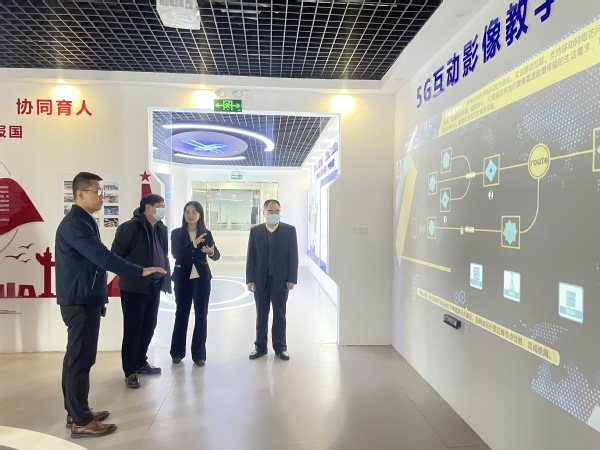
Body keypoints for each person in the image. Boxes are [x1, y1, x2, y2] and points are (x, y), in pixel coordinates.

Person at [55, 172, 165, 439]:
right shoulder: (75, 224)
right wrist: (139, 271)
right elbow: (103, 256)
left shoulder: (84, 221)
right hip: (80, 298)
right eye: (98, 191)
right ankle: (81, 421)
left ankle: (77, 411)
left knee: (81, 358)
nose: (102, 196)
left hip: (86, 296)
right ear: (80, 193)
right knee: (80, 359)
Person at [111, 193, 171, 388]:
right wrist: (136, 271)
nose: (163, 210)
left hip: (154, 285)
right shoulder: (130, 228)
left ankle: (140, 361)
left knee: (149, 326)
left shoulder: (161, 228)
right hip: (134, 287)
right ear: (148, 208)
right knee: (133, 330)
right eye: (160, 206)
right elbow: (115, 257)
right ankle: (130, 371)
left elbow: (163, 254)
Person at [246, 199, 298, 361]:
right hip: (260, 280)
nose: (274, 214)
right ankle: (260, 347)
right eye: (270, 211)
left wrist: (291, 279)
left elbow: (293, 256)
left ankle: (280, 348)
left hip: (281, 281)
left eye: (277, 211)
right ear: (264, 213)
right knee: (261, 315)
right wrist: (250, 279)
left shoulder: (289, 231)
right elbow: (251, 257)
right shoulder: (255, 231)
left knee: (280, 315)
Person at [170, 201, 220, 366]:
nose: (190, 215)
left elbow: (216, 254)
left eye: (194, 212)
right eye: (187, 212)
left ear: (200, 215)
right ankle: (177, 352)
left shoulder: (206, 233)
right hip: (182, 278)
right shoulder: (176, 233)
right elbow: (176, 254)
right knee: (181, 314)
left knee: (201, 315)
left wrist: (211, 252)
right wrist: (193, 244)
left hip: (202, 279)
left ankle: (199, 355)